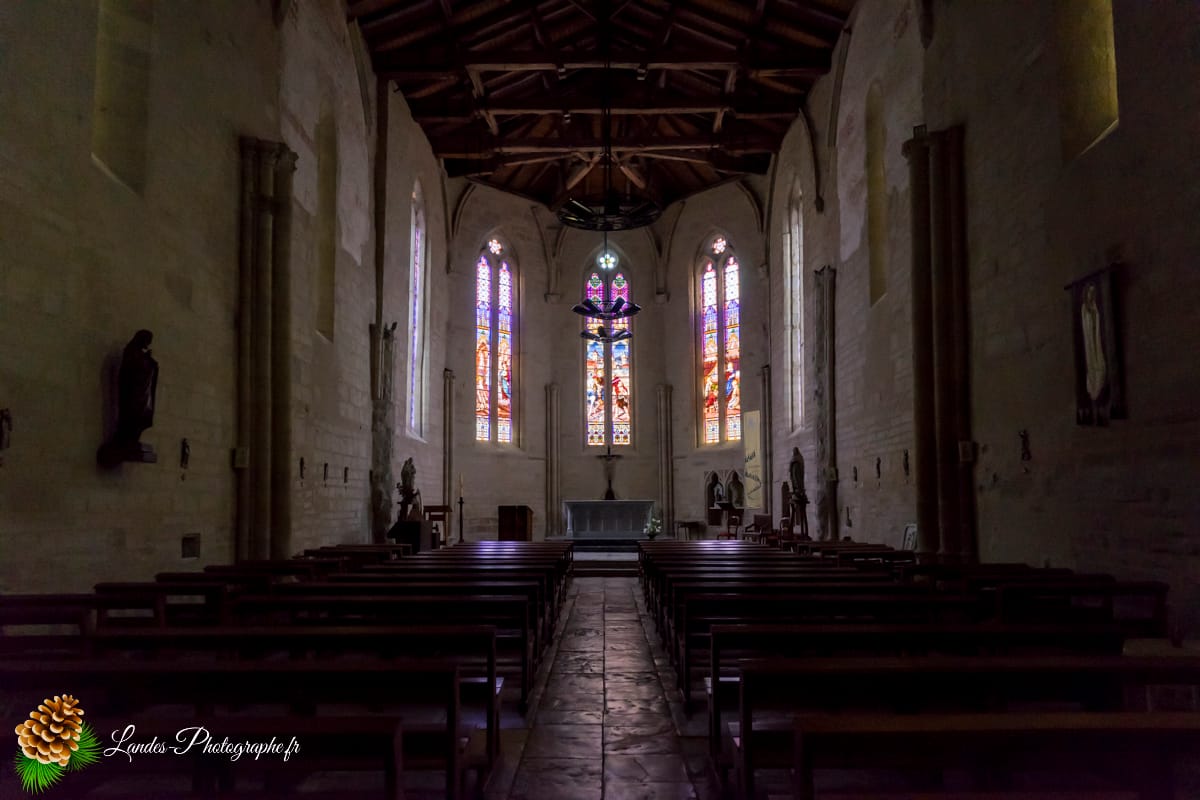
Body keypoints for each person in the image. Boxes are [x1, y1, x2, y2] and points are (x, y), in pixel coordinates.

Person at [116, 329, 158, 446]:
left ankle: (133, 438)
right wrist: (145, 360)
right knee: (131, 414)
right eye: (147, 341)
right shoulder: (130, 351)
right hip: (132, 392)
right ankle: (126, 438)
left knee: (141, 415)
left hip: (141, 392)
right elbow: (131, 371)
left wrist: (149, 361)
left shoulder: (138, 353)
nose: (147, 344)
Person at [788, 447, 810, 540]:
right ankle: (797, 489)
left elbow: (799, 473)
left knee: (797, 480)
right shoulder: (796, 460)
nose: (793, 453)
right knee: (795, 480)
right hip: (796, 483)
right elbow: (792, 473)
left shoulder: (798, 460)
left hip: (799, 483)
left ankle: (804, 533)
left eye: (794, 451)